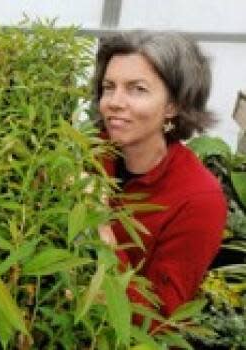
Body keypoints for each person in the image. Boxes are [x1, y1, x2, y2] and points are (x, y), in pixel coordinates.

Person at [92, 30, 227, 324]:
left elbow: (160, 321)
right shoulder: (88, 152)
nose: (114, 102)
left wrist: (99, 225)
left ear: (173, 105)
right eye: (108, 87)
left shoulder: (200, 199)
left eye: (137, 89)